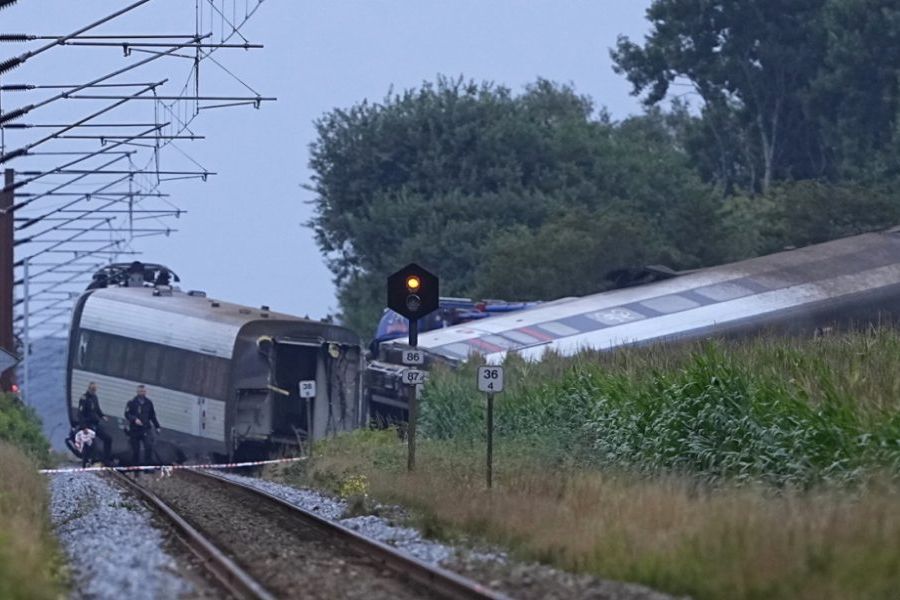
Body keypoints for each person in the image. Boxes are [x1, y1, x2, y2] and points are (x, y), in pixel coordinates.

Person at [124, 384, 161, 465]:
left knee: (148, 446)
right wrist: (134, 419)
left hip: (145, 428)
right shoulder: (131, 402)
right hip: (135, 429)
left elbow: (152, 415)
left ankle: (147, 467)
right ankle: (135, 468)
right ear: (137, 392)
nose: (142, 393)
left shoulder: (149, 403)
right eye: (140, 391)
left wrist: (157, 426)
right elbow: (127, 414)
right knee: (135, 450)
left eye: (144, 391)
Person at [77, 382, 112, 461]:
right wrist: (84, 427)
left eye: (95, 389)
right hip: (87, 425)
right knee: (90, 444)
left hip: (95, 423)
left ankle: (107, 460)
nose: (94, 391)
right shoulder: (84, 398)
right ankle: (87, 462)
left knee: (108, 439)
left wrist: (102, 416)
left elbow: (97, 409)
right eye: (92, 389)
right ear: (89, 389)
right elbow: (80, 414)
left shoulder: (95, 397)